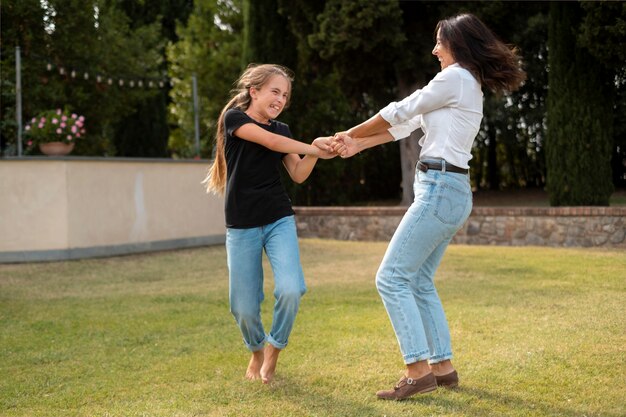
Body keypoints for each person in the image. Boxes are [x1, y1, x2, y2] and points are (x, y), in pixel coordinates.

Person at [332, 13, 526, 400]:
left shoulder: (455, 78)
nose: (434, 49)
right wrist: (357, 145)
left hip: (440, 188)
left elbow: (400, 109)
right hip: (448, 190)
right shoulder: (462, 85)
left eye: (440, 42)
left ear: (457, 44)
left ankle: (416, 372)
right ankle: (443, 369)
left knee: (390, 278)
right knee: (418, 280)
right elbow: (407, 124)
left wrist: (347, 132)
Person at [203, 63, 335, 384]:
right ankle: (256, 350)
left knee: (292, 289)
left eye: (285, 95)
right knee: (243, 308)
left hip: (278, 218)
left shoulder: (283, 130)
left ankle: (273, 350)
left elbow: (299, 174)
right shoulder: (234, 119)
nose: (280, 99)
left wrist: (316, 152)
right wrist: (313, 147)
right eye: (275, 91)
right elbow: (271, 144)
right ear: (254, 91)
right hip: (242, 224)